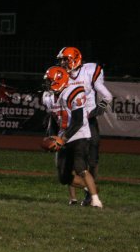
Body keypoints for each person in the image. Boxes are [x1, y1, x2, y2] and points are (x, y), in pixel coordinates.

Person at [57, 47, 113, 206]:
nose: (62, 63)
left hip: (88, 120)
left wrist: (96, 111)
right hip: (72, 120)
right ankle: (78, 195)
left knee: (93, 160)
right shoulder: (63, 75)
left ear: (75, 58)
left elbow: (107, 96)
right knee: (70, 161)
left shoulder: (89, 71)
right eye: (61, 60)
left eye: (65, 59)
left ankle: (90, 193)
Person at [43, 65, 103, 208]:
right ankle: (91, 187)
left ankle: (96, 201)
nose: (47, 84)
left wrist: (62, 139)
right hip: (63, 135)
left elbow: (78, 120)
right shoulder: (49, 97)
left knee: (80, 168)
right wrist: (51, 137)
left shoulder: (73, 92)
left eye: (50, 81)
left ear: (58, 81)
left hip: (79, 134)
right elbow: (53, 119)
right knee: (64, 177)